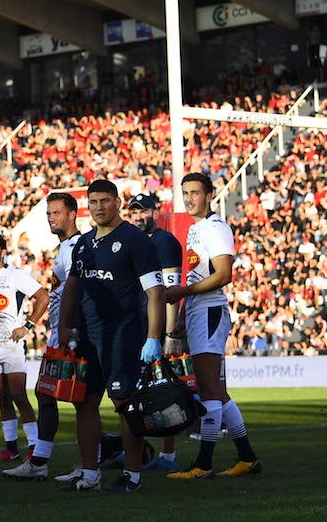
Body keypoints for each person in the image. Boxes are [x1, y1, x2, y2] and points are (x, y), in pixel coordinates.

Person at [57, 180, 165, 494]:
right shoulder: (84, 243)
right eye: (94, 201)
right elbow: (72, 287)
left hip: (124, 335)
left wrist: (153, 337)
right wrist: (65, 326)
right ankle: (89, 474)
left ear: (117, 202)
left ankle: (132, 475)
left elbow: (155, 292)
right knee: (85, 402)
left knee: (124, 402)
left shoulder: (135, 240)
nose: (99, 207)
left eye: (105, 200)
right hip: (89, 336)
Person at [166, 173, 261, 480]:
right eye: (185, 193)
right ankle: (247, 457)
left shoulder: (217, 228)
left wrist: (183, 294)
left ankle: (203, 464)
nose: (189, 198)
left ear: (209, 195)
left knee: (208, 389)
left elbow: (223, 275)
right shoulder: (195, 229)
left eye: (195, 192)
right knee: (216, 391)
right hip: (197, 312)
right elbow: (197, 275)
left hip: (209, 311)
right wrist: (182, 315)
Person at [5, 192, 80, 482]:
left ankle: (93, 460)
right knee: (45, 393)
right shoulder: (63, 247)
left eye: (56, 213)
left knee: (79, 400)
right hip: (58, 332)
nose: (51, 218)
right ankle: (40, 461)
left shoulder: (76, 247)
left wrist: (69, 329)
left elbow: (77, 290)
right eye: (49, 214)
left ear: (72, 214)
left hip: (70, 334)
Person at [127, 193, 185, 472]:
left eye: (144, 211)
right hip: (137, 326)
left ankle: (168, 456)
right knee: (137, 393)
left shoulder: (165, 242)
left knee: (164, 393)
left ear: (155, 212)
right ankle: (139, 451)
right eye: (134, 212)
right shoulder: (136, 242)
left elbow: (170, 291)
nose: (139, 217)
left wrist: (171, 335)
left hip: (158, 330)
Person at [0, 232, 49, 463]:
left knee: (19, 395)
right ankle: (11, 448)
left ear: (2, 251)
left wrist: (27, 326)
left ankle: (33, 446)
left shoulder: (14, 275)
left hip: (11, 346)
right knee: (2, 398)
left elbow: (42, 296)